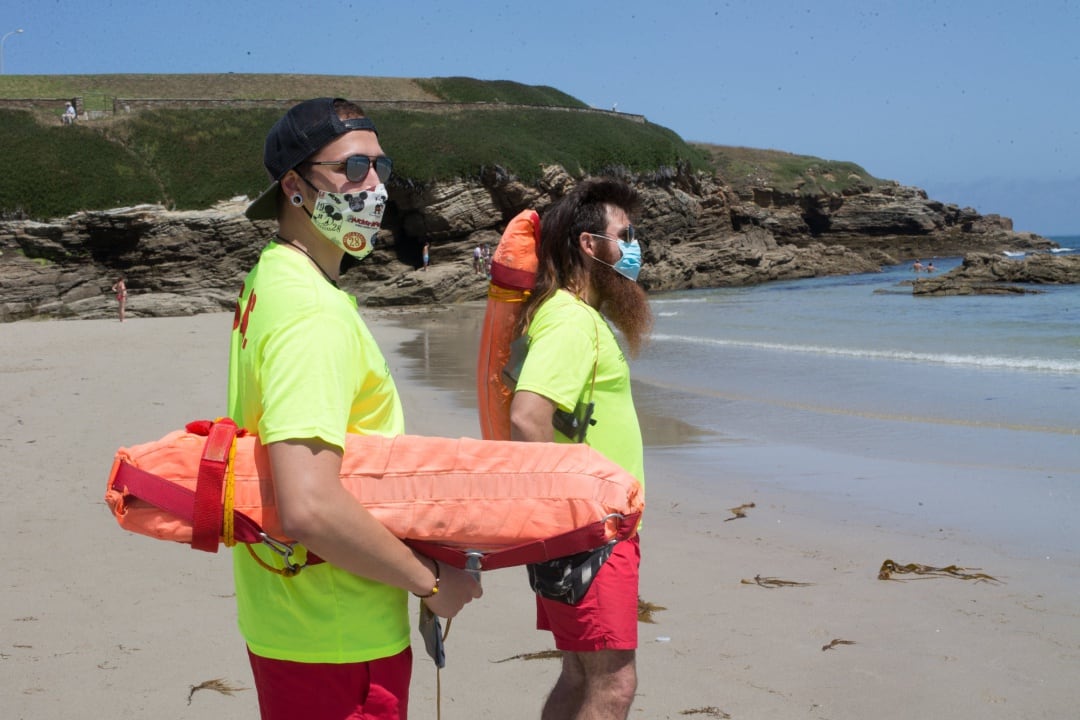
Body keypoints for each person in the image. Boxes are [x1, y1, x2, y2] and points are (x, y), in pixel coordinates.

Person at [232, 97, 481, 720]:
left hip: (290, 617)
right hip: (338, 637)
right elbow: (309, 505)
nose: (374, 186)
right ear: (294, 185)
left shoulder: (270, 278)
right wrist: (431, 583)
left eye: (380, 168)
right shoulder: (312, 313)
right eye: (352, 169)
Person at [509, 178, 651, 720]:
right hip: (593, 535)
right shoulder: (572, 320)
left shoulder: (565, 313)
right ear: (590, 246)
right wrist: (570, 518)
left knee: (578, 675)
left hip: (584, 533)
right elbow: (527, 418)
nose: (635, 247)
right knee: (613, 685)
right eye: (626, 235)